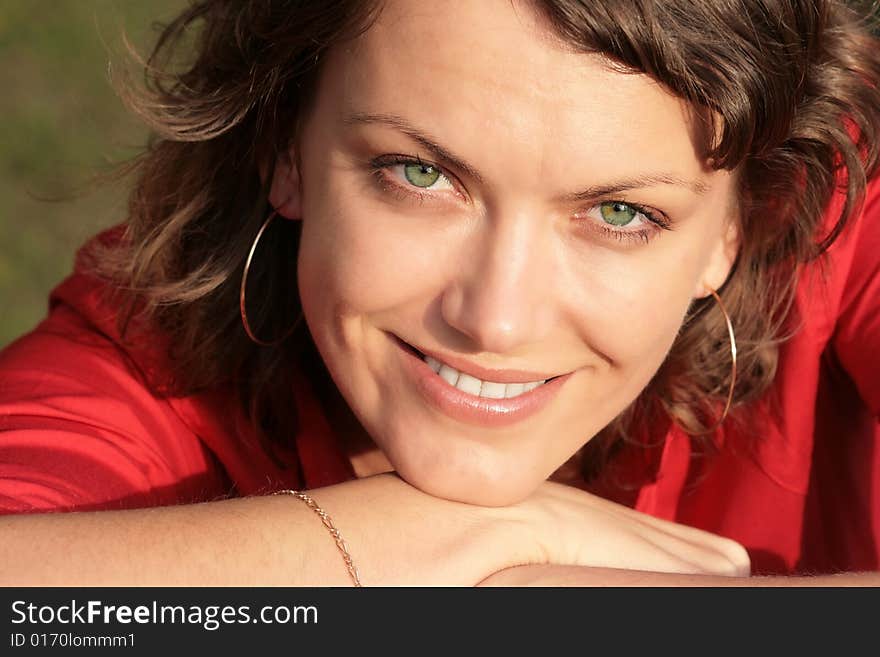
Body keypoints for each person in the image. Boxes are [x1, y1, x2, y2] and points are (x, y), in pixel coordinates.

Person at [0, 0, 878, 586]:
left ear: (735, 231)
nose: (494, 318)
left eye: (619, 212)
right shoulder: (138, 370)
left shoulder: (836, 221)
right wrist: (416, 538)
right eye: (420, 174)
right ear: (284, 145)